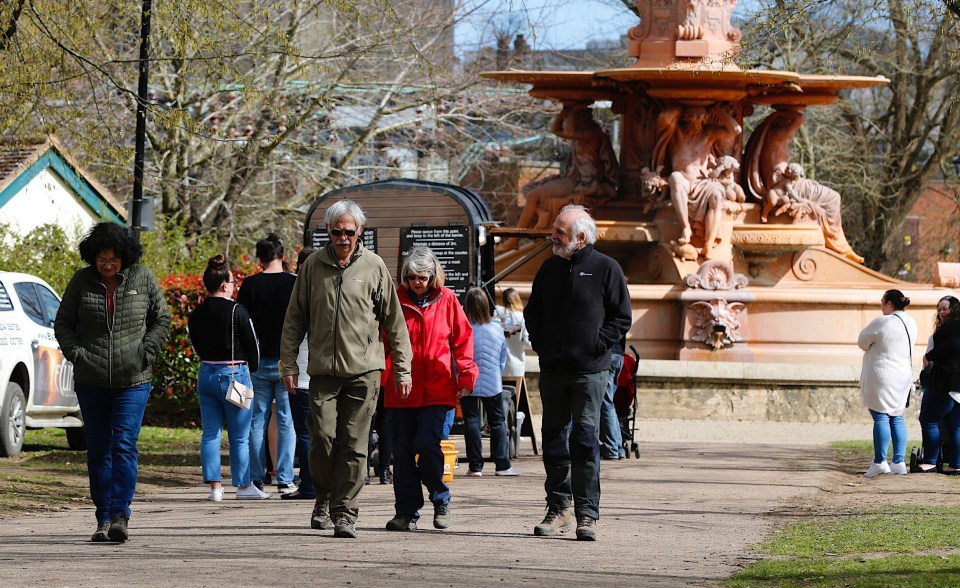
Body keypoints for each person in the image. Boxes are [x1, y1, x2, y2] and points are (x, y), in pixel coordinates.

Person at [279, 199, 413, 539]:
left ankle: (345, 512)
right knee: (322, 440)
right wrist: (289, 362)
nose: (342, 238)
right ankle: (323, 496)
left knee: (355, 445)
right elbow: (294, 318)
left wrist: (402, 367)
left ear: (360, 232)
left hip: (364, 371)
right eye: (336, 231)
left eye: (349, 232)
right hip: (323, 371)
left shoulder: (374, 266)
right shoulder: (312, 266)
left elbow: (394, 321)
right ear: (328, 231)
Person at [54, 222, 171, 543]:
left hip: (133, 379)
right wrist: (76, 353)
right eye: (102, 259)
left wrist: (147, 352)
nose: (107, 265)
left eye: (113, 259)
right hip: (91, 379)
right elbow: (63, 322)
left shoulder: (142, 278)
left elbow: (162, 318)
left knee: (123, 446)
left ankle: (121, 514)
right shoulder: (81, 281)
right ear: (92, 258)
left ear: (125, 257)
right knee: (99, 450)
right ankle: (102, 517)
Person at [524, 205, 632, 541]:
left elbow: (622, 317)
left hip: (589, 372)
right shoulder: (548, 269)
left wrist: (596, 344)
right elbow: (533, 313)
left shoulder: (606, 268)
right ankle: (559, 508)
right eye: (555, 229)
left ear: (580, 238)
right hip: (554, 370)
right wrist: (543, 344)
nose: (552, 235)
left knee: (585, 441)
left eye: (560, 231)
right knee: (554, 441)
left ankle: (587, 515)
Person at [382, 247, 478, 532]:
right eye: (410, 277)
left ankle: (440, 498)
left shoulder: (447, 299)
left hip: (438, 387)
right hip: (402, 387)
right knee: (401, 453)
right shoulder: (395, 300)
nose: (416, 283)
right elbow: (384, 340)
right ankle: (406, 511)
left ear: (433, 275)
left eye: (422, 277)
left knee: (427, 445)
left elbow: (462, 340)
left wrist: (466, 377)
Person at [188, 255, 270, 501]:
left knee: (210, 433)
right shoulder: (237, 310)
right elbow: (253, 346)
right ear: (225, 285)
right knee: (239, 434)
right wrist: (251, 369)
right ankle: (243, 485)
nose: (234, 285)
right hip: (235, 374)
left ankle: (215, 487)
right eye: (233, 282)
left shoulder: (196, 313)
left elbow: (195, 344)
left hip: (206, 374)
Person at [236, 234, 298, 495]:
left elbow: (239, 322)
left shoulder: (249, 285)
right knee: (286, 421)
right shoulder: (294, 283)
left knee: (256, 420)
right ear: (283, 256)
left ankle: (256, 477)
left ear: (258, 258)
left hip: (256, 362)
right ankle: (285, 478)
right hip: (288, 360)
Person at [857, 289, 918, 477]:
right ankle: (899, 461)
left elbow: (862, 342)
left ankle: (879, 461)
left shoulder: (882, 321)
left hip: (882, 375)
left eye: (882, 302)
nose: (882, 306)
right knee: (897, 416)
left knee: (881, 416)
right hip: (903, 375)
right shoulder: (911, 322)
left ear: (889, 304)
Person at [462, 287, 521, 478]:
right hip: (492, 379)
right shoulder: (497, 329)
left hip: (468, 379)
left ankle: (475, 466)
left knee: (471, 421)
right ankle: (502, 464)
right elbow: (502, 357)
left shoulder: (464, 328)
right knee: (497, 421)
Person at [280, 247, 318, 501]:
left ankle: (308, 485)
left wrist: (288, 366)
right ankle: (322, 485)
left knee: (305, 432)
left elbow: (290, 333)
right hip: (323, 372)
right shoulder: (327, 291)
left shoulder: (295, 293)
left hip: (303, 372)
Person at [922, 296, 960, 473]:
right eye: (939, 309)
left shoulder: (947, 331)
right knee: (955, 425)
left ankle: (930, 461)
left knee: (928, 420)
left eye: (945, 308)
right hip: (956, 385)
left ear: (954, 309)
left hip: (944, 383)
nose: (941, 312)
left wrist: (930, 357)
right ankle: (956, 465)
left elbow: (952, 346)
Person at [600, 337, 626, 460]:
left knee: (606, 403)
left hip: (608, 354)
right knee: (609, 403)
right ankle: (618, 447)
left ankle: (611, 448)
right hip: (618, 355)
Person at [495, 288, 529, 379]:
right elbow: (527, 341)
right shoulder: (522, 317)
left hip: (501, 363)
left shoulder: (498, 313)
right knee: (517, 392)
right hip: (517, 364)